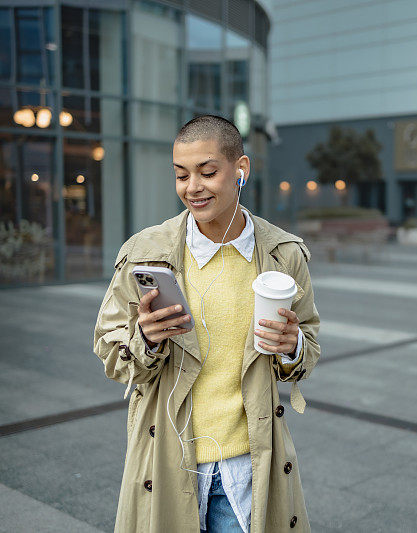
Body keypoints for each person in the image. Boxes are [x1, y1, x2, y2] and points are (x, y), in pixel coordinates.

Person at [93, 114, 320, 532]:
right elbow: (110, 350)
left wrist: (292, 346)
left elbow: (308, 346)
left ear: (241, 169)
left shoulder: (282, 255)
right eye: (181, 175)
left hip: (247, 463)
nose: (192, 187)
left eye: (208, 172)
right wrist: (145, 337)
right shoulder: (146, 253)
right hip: (166, 458)